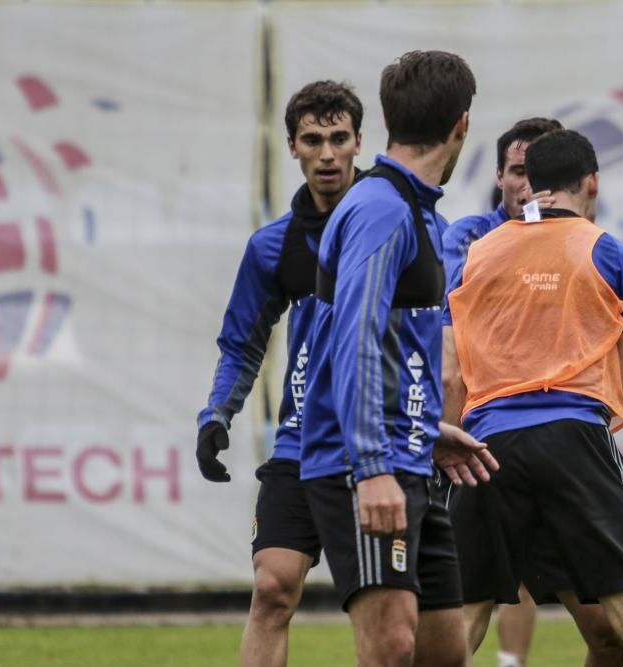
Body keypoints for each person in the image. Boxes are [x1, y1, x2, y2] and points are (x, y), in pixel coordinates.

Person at [443, 129, 623, 667]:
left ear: (533, 185)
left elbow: (451, 373)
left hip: (486, 446)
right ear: (591, 182)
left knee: (463, 620)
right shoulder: (609, 254)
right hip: (574, 437)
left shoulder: (476, 254)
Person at [299, 50, 483, 667]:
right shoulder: (381, 208)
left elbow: (398, 348)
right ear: (462, 123)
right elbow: (355, 337)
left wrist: (426, 430)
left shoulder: (418, 209)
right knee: (393, 649)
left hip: (408, 455)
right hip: (364, 465)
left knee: (443, 652)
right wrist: (372, 465)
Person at [195, 80, 365, 667]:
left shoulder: (398, 226)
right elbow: (241, 344)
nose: (326, 153)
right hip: (302, 443)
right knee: (271, 589)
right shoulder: (273, 247)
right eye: (312, 139)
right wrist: (218, 412)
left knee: (391, 621)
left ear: (358, 143)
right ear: (291, 146)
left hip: (383, 448)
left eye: (338, 138)